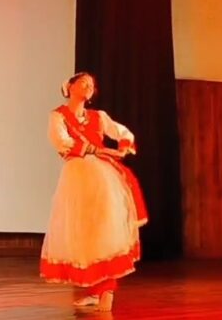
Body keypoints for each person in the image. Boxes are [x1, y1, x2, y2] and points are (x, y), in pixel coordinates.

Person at [40, 72, 147, 312]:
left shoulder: (99, 116)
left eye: (91, 85)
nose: (88, 87)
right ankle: (95, 291)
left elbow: (123, 132)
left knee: (104, 227)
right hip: (77, 175)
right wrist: (97, 150)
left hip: (102, 176)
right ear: (69, 87)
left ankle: (107, 290)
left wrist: (122, 148)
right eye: (83, 83)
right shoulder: (58, 116)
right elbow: (61, 141)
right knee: (85, 231)